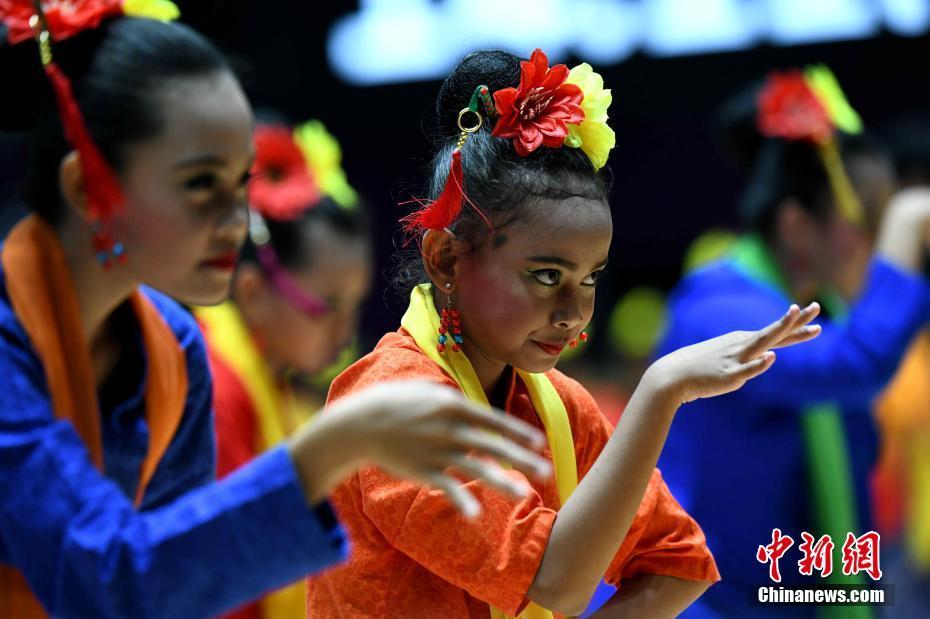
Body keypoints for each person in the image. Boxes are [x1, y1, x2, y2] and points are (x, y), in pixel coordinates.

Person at [0, 5, 550, 617]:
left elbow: (178, 597)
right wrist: (331, 446)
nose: (237, 224)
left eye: (240, 186)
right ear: (86, 187)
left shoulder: (175, 344)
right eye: (201, 184)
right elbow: (109, 584)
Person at [306, 48, 820, 618]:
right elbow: (554, 580)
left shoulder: (561, 407)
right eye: (546, 275)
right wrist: (659, 392)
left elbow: (677, 562)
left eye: (591, 277)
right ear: (447, 259)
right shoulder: (392, 402)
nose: (575, 312)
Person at [656, 67, 930, 618]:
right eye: (868, 218)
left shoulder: (827, 310)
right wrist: (907, 221)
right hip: (717, 606)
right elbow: (854, 364)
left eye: (881, 221)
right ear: (797, 225)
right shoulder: (715, 308)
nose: (877, 243)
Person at [201, 117, 374, 619]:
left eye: (354, 306)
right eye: (327, 306)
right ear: (253, 292)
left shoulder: (269, 383)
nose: (346, 330)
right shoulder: (216, 388)